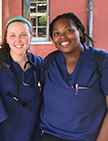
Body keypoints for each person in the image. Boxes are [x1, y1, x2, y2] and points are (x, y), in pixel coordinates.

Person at [40, 12, 108, 141]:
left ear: (80, 32)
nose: (63, 37)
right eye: (56, 33)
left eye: (68, 30)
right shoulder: (49, 62)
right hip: (49, 136)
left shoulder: (101, 61)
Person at [0, 16, 43, 141]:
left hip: (31, 132)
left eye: (23, 35)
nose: (18, 40)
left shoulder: (39, 63)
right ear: (6, 39)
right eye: (12, 35)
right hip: (1, 133)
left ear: (31, 37)